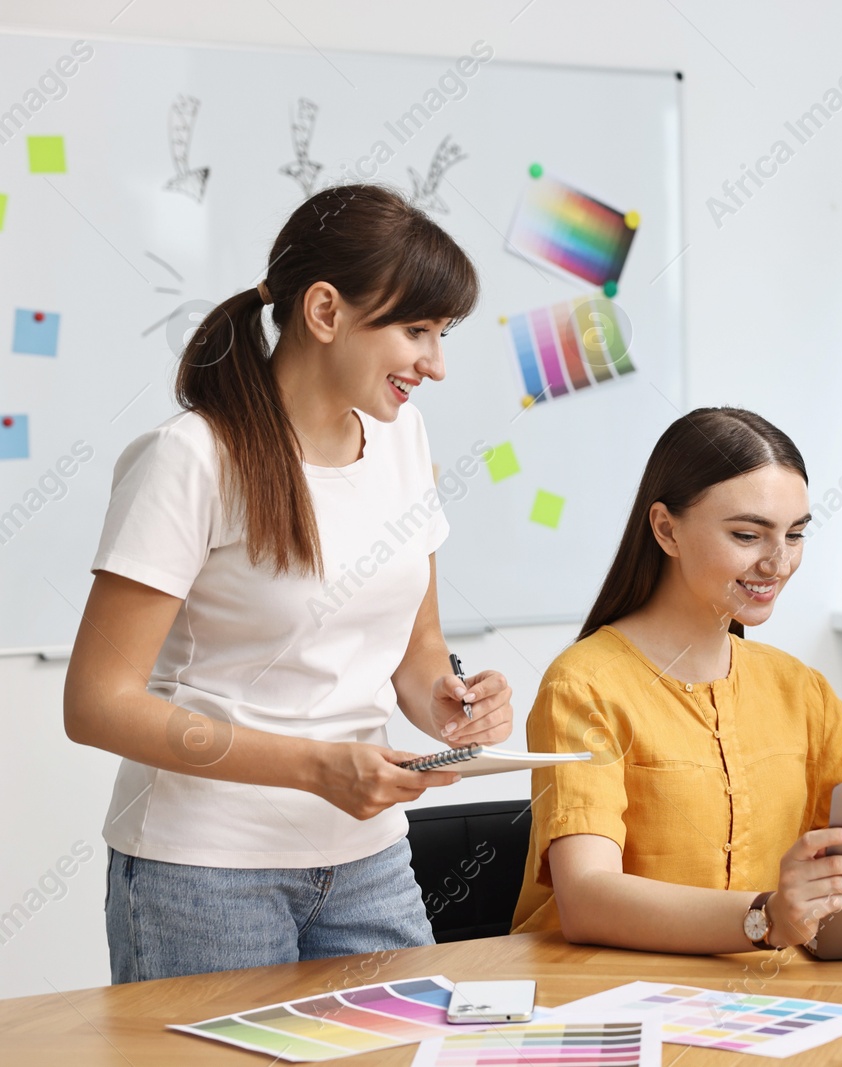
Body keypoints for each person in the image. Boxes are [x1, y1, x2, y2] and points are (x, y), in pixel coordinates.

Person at [63, 184, 515, 983]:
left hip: (365, 857)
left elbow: (419, 652)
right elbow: (98, 702)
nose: (436, 365)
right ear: (325, 311)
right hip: (201, 870)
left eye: (442, 335)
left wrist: (450, 701)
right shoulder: (191, 457)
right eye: (416, 331)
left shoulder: (402, 437)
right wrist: (314, 766)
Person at [510, 408, 842, 952]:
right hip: (609, 997)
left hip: (762, 997)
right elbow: (587, 897)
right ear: (666, 529)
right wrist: (767, 916)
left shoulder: (797, 687)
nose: (778, 563)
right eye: (748, 535)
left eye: (794, 535)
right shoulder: (583, 686)